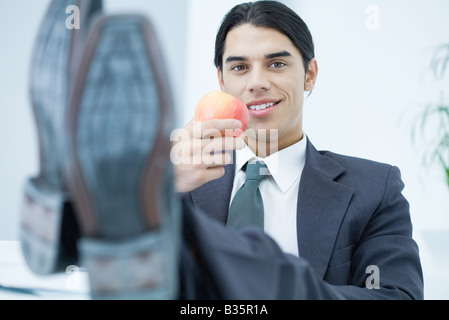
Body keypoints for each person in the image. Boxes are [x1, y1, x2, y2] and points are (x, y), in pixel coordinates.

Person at [22, 0, 423, 300]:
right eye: (239, 67)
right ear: (221, 79)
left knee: (187, 238)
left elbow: (398, 297)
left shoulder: (374, 187)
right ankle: (93, 211)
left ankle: (125, 208)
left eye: (277, 64)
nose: (257, 83)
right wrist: (173, 184)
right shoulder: (185, 168)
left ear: (310, 75)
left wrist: (161, 193)